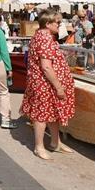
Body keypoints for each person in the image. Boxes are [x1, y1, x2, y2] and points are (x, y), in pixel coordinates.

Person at [21, 9, 76, 160]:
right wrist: (59, 87)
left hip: (44, 83)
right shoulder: (45, 39)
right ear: (48, 23)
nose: (60, 25)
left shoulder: (42, 35)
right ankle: (39, 147)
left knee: (52, 114)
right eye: (57, 22)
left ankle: (55, 142)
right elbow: (46, 66)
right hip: (44, 84)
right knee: (42, 116)